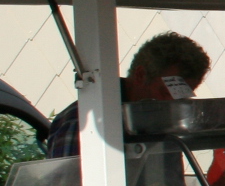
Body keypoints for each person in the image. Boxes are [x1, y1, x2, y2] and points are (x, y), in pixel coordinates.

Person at [44, 30, 211, 156]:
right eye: (167, 92)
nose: (174, 104)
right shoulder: (84, 121)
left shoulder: (163, 124)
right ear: (140, 75)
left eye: (183, 96)